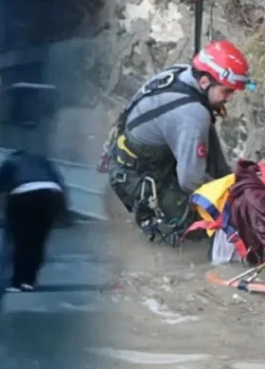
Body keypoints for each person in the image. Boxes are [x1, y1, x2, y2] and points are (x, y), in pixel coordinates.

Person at [104, 39, 253, 246]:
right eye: (226, 91)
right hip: (136, 176)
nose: (229, 99)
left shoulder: (182, 74)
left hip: (134, 155)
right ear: (204, 82)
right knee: (201, 229)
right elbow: (191, 181)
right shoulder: (193, 115)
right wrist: (226, 205)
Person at [0, 151, 68, 292]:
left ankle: (17, 282)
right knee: (38, 241)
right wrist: (64, 213)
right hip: (51, 195)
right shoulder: (43, 160)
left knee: (20, 240)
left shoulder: (11, 161)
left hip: (23, 194)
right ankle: (29, 280)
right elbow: (60, 183)